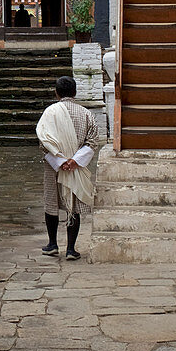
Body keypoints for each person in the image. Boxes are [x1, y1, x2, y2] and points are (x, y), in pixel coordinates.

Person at [35, 75, 100, 260]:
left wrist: (60, 160)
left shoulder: (50, 112)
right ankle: (71, 249)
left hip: (54, 166)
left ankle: (52, 244)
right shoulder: (86, 114)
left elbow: (43, 141)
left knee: (51, 204)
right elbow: (93, 141)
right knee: (74, 205)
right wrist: (74, 161)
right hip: (76, 167)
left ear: (56, 93)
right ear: (75, 92)